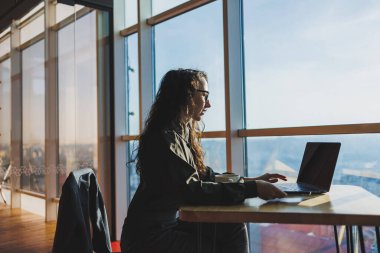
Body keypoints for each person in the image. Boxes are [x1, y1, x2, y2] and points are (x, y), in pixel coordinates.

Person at [120, 69, 287, 253]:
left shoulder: (178, 132)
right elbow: (192, 190)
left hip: (161, 226)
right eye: (205, 95)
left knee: (231, 227)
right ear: (186, 95)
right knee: (220, 243)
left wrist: (251, 181)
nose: (209, 103)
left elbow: (204, 176)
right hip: (149, 239)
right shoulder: (164, 138)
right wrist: (253, 188)